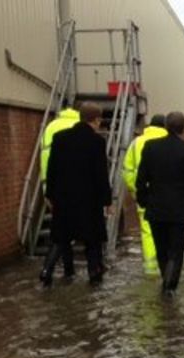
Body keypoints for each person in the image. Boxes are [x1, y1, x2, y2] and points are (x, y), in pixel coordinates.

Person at [40, 102, 112, 286]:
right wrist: (107, 200)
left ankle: (47, 270)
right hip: (89, 200)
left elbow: (52, 169)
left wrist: (50, 195)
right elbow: (101, 174)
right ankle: (94, 275)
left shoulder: (59, 138)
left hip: (64, 198)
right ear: (95, 120)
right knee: (92, 240)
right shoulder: (97, 142)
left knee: (60, 237)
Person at [135, 112, 184, 296]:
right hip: (180, 210)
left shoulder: (150, 147)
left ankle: (166, 283)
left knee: (161, 249)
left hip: (156, 208)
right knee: (176, 251)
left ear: (165, 126)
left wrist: (144, 201)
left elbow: (141, 179)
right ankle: (169, 287)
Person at [122, 114, 168, 276]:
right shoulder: (170, 143)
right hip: (168, 197)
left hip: (145, 196)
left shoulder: (136, 143)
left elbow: (127, 170)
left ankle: (150, 268)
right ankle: (168, 267)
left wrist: (135, 190)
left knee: (148, 231)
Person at [39, 105, 80, 280]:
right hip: (75, 188)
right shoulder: (79, 126)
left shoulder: (51, 127)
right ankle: (48, 269)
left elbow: (45, 159)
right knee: (64, 233)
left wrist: (45, 189)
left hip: (53, 186)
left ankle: (68, 270)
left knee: (62, 229)